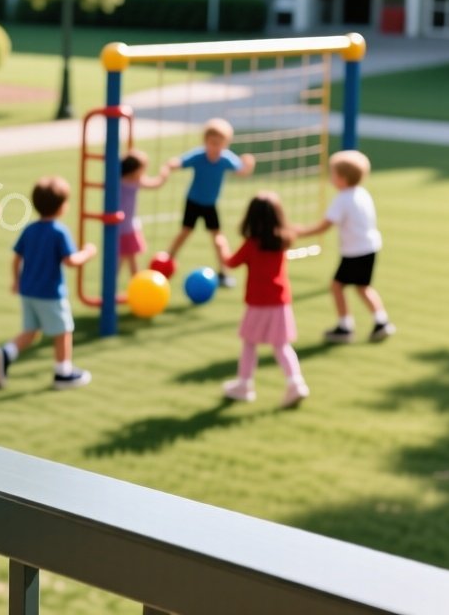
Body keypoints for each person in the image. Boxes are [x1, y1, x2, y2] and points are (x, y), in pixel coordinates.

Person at [0, 177, 97, 390]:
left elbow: (16, 258)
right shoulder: (59, 231)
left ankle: (6, 353)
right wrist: (88, 252)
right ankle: (63, 373)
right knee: (63, 331)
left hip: (28, 291)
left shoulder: (30, 229)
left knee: (31, 331)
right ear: (62, 206)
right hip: (50, 293)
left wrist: (16, 281)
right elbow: (71, 261)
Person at [221, 192, 309, 408]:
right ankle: (296, 383)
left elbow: (231, 263)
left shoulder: (252, 244)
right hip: (280, 302)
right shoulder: (283, 239)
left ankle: (244, 384)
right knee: (282, 345)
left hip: (258, 303)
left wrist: (220, 245)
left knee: (250, 343)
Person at [296, 149, 393, 343]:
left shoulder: (343, 199)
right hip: (370, 248)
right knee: (363, 287)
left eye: (333, 174)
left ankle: (345, 326)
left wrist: (300, 232)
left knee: (337, 286)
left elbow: (325, 226)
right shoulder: (362, 193)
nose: (331, 178)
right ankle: (381, 321)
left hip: (354, 252)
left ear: (342, 178)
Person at [164, 118, 255, 286]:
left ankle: (224, 271)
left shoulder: (225, 159)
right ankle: (166, 262)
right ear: (205, 142)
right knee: (184, 233)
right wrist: (169, 166)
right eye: (212, 143)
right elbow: (180, 162)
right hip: (193, 201)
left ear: (226, 144)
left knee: (218, 239)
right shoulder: (199, 156)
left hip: (210, 205)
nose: (215, 148)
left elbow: (241, 171)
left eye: (220, 144)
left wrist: (248, 165)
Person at [116, 149, 168, 281]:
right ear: (135, 170)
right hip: (126, 227)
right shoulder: (134, 181)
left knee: (125, 257)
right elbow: (156, 184)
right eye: (143, 169)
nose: (144, 173)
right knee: (126, 257)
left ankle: (129, 282)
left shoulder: (119, 180)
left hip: (123, 226)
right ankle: (135, 282)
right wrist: (164, 174)